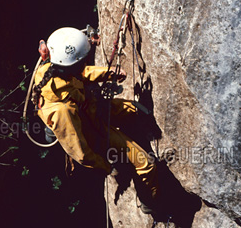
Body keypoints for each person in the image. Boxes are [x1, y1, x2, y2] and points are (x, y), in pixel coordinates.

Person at [32, 26, 160, 214]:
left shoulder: (51, 68)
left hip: (93, 110)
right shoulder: (61, 112)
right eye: (81, 62)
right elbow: (80, 152)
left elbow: (81, 73)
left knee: (138, 109)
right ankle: (150, 203)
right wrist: (106, 167)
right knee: (146, 165)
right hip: (94, 134)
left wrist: (110, 73)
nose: (84, 64)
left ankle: (136, 128)